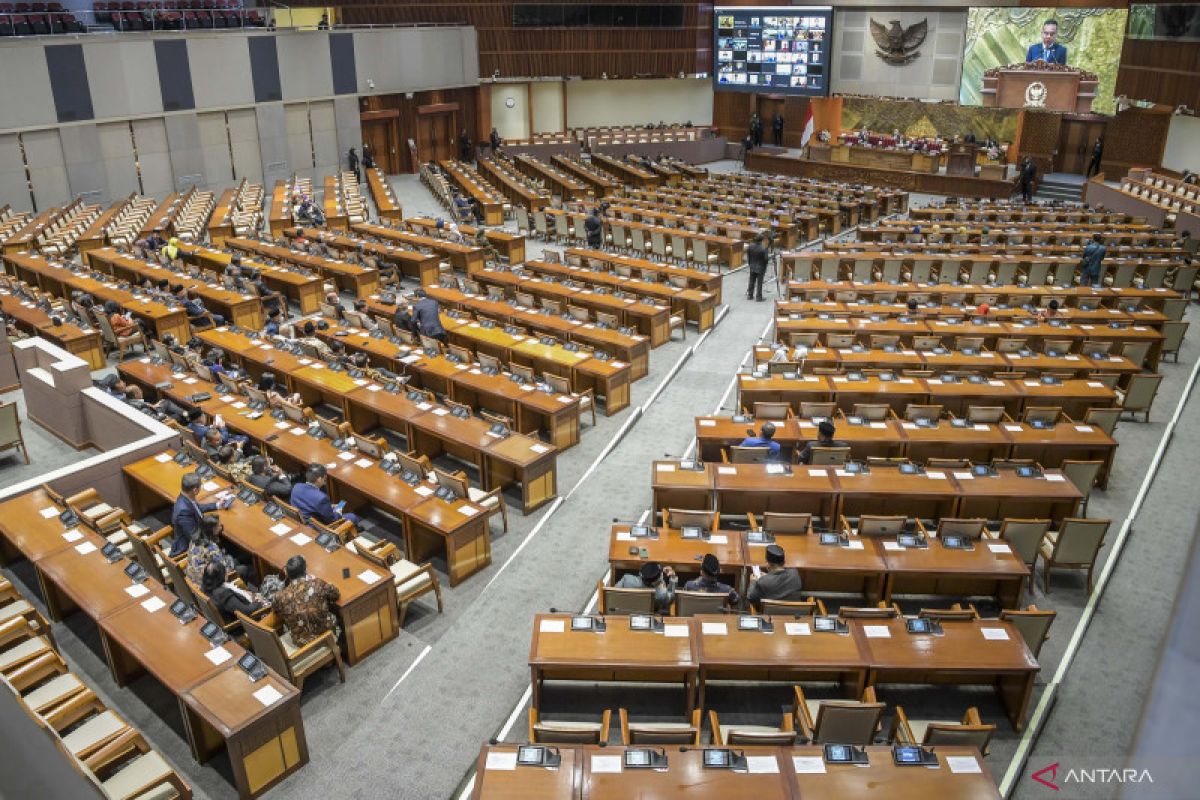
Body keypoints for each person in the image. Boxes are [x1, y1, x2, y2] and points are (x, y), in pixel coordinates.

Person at [272, 555, 341, 645]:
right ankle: (342, 648)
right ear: (305, 570)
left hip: (300, 642)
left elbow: (275, 611)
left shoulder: (279, 596)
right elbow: (335, 594)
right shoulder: (317, 584)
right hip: (324, 636)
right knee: (339, 614)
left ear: (287, 574)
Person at [185, 515, 252, 587]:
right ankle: (242, 590)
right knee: (244, 569)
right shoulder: (212, 548)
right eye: (219, 526)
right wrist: (229, 559)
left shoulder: (194, 540)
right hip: (208, 582)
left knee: (235, 560)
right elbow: (225, 569)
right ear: (213, 529)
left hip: (192, 575)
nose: (221, 527)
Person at [171, 472, 225, 557]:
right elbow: (195, 537)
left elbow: (197, 508)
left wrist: (217, 505)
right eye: (201, 486)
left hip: (198, 533)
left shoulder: (185, 498)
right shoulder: (183, 512)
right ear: (195, 490)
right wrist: (213, 530)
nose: (201, 488)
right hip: (188, 549)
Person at [291, 463, 360, 527]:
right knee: (352, 517)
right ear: (319, 479)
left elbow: (309, 504)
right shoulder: (321, 498)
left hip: (302, 520)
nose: (326, 479)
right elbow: (333, 520)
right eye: (325, 477)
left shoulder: (296, 487)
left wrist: (328, 506)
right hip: (318, 527)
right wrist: (338, 509)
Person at [201, 562, 265, 622]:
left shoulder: (205, 586)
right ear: (220, 577)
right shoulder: (222, 594)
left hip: (239, 608)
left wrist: (244, 593)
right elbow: (247, 611)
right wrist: (257, 602)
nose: (226, 574)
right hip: (242, 624)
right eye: (224, 572)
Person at [746, 233, 769, 302]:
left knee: (751, 281)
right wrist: (764, 266)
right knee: (759, 282)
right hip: (761, 267)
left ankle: (750, 295)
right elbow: (766, 260)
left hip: (752, 265)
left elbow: (748, 256)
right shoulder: (763, 249)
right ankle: (759, 297)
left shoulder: (750, 246)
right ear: (762, 240)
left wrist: (750, 264)